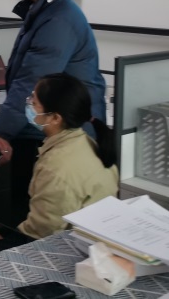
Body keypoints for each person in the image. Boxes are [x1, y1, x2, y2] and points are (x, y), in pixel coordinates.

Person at [0, 0, 107, 223]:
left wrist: (1, 131)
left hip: (60, 129)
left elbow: (32, 80)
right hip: (47, 123)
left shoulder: (59, 19)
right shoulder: (47, 10)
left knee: (35, 211)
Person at [18, 73, 118, 239]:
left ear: (55, 118)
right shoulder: (86, 142)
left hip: (67, 246)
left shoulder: (56, 166)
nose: (29, 105)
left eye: (34, 103)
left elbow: (42, 230)